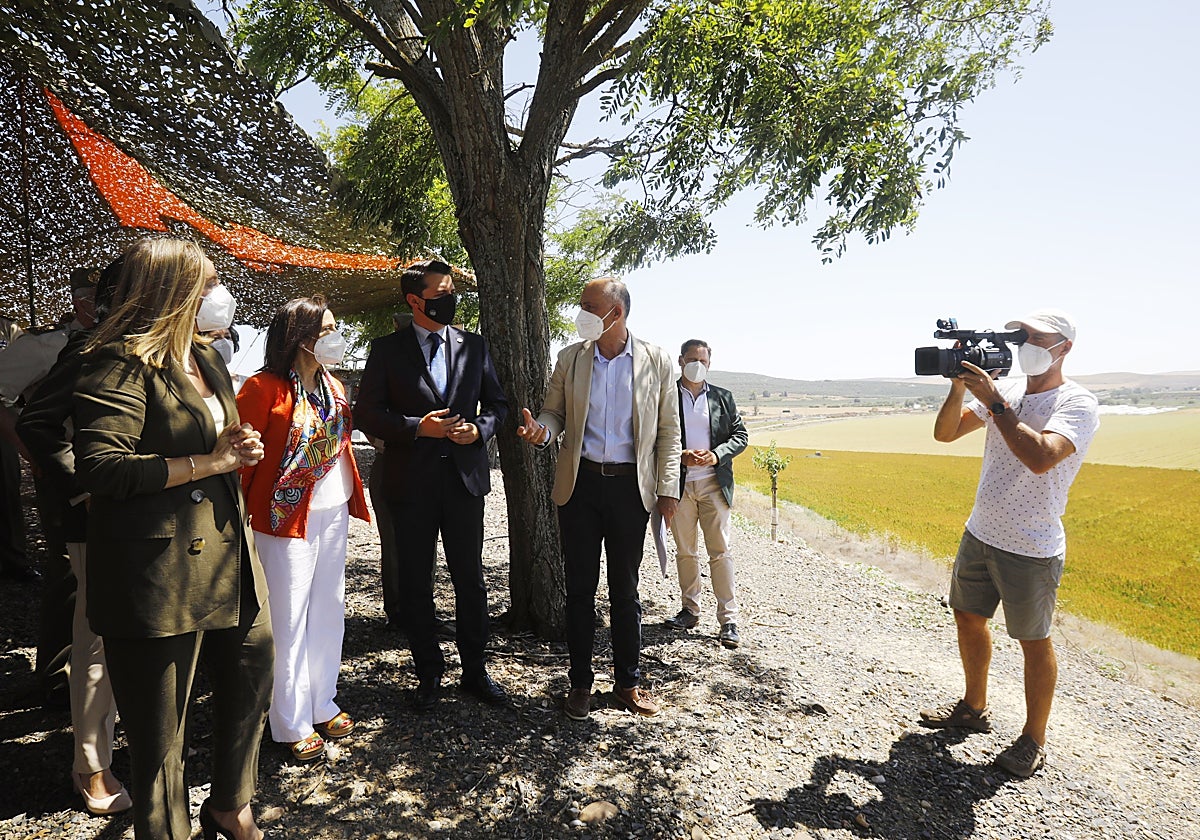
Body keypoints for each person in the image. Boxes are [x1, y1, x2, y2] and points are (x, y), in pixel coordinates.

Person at [73, 236, 273, 839]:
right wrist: (207, 465)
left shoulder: (208, 357)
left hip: (228, 557)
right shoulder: (114, 361)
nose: (220, 295)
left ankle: (230, 804)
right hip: (154, 574)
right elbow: (101, 467)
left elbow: (218, 439)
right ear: (170, 290)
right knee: (161, 736)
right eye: (208, 283)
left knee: (251, 676)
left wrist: (239, 449)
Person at [919, 308, 1099, 779]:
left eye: (1038, 338)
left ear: (1065, 348)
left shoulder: (1077, 403)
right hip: (981, 531)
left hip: (1032, 545)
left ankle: (1032, 740)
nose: (1027, 346)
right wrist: (959, 384)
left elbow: (1042, 457)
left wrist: (997, 403)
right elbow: (945, 433)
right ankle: (973, 708)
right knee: (968, 618)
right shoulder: (1012, 390)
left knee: (1032, 641)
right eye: (1022, 337)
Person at [516, 277, 681, 721]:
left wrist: (668, 490)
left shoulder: (657, 361)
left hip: (631, 490)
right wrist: (541, 432)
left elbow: (669, 432)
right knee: (580, 590)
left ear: (617, 313)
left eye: (590, 306)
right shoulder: (570, 358)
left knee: (625, 590)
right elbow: (553, 412)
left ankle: (628, 681)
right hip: (581, 486)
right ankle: (580, 684)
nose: (582, 312)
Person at [355, 260, 509, 712]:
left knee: (470, 579)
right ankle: (429, 674)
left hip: (464, 482)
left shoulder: (475, 346)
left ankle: (475, 671)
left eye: (452, 290)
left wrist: (479, 429)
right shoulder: (386, 350)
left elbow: (497, 404)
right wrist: (417, 428)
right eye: (440, 292)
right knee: (416, 581)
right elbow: (368, 413)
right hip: (411, 483)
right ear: (415, 300)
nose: (450, 299)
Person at [17, 256, 132, 815]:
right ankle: (91, 763)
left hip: (158, 522)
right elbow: (35, 421)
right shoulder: (85, 351)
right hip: (98, 522)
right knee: (98, 636)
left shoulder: (184, 353)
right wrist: (85, 486)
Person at [237, 296, 369, 762]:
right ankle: (288, 719)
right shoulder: (262, 387)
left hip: (332, 510)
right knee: (288, 618)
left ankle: (321, 700)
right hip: (282, 519)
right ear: (301, 337)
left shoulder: (333, 385)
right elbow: (240, 458)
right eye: (328, 329)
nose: (337, 336)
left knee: (328, 608)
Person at [0, 268, 100, 704]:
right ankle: (57, 674)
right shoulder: (45, 345)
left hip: (106, 473)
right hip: (63, 471)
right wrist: (30, 451)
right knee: (68, 572)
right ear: (83, 304)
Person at [662, 339, 749, 648]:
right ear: (680, 361)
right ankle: (690, 609)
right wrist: (679, 455)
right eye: (691, 359)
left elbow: (741, 435)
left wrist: (716, 455)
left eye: (703, 360)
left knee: (720, 551)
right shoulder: (666, 395)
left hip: (714, 483)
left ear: (710, 363)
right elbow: (654, 436)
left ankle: (729, 619)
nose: (697, 364)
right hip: (680, 486)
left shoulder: (723, 398)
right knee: (685, 551)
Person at [0, 312, 35, 581]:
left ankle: (13, 560)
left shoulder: (7, 328)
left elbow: (28, 368)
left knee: (7, 487)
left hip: (2, 418)